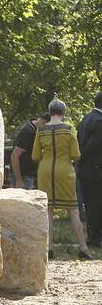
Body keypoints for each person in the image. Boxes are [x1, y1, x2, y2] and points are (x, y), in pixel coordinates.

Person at [32, 98, 92, 260]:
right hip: (65, 170)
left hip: (45, 170)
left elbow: (35, 156)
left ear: (50, 111)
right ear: (63, 112)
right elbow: (76, 155)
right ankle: (83, 247)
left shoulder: (41, 130)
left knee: (48, 210)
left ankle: (49, 247)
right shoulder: (69, 129)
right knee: (73, 209)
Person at [77, 91, 102, 247]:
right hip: (96, 169)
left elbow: (79, 141)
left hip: (85, 170)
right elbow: (94, 145)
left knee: (90, 204)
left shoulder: (86, 118)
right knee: (96, 204)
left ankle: (92, 235)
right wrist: (83, 156)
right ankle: (95, 237)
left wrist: (80, 159)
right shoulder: (99, 121)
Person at [11, 113, 50, 190]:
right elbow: (14, 156)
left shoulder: (35, 130)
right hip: (23, 176)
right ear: (44, 122)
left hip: (29, 174)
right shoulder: (28, 133)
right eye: (47, 128)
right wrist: (19, 180)